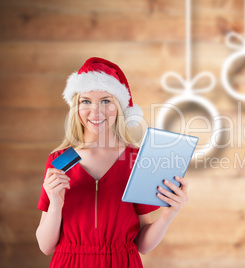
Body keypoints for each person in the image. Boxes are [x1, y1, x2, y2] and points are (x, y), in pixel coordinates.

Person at [36, 57, 189, 267]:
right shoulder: (60, 160)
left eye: (106, 101)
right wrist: (55, 204)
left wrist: (168, 215)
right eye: (86, 101)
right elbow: (45, 246)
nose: (95, 111)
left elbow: (142, 245)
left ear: (119, 107)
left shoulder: (136, 159)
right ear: (76, 106)